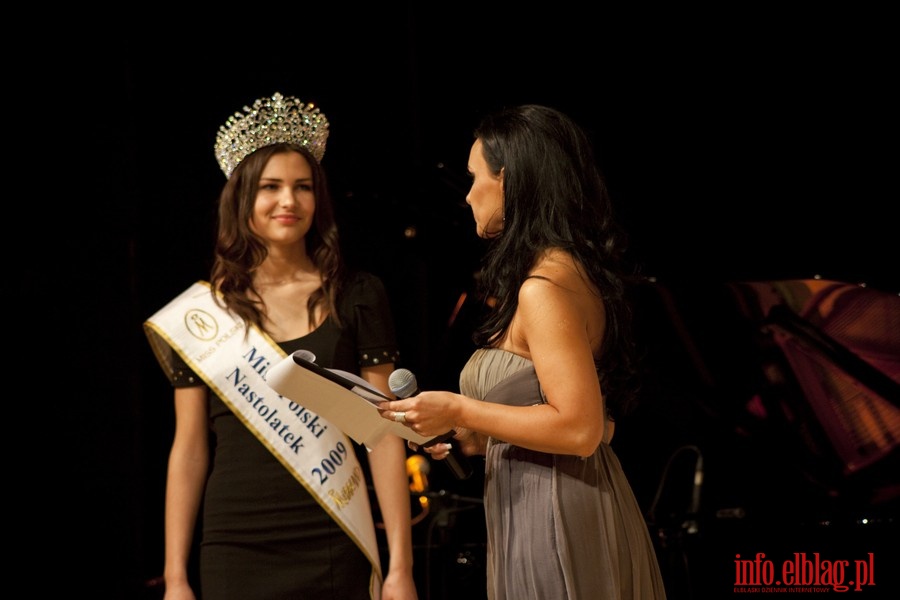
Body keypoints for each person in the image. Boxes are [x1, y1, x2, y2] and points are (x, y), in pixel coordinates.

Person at [378, 104, 667, 599]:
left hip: (555, 512)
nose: (468, 195)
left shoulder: (544, 287)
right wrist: (465, 432)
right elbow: (559, 418)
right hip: (546, 500)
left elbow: (580, 428)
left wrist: (459, 406)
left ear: (509, 179)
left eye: (474, 178)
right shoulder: (563, 272)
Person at [145, 92, 418, 600]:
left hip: (333, 533)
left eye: (302, 187)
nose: (288, 201)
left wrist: (400, 567)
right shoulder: (204, 315)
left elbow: (382, 430)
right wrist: (176, 577)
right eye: (270, 187)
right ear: (241, 197)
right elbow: (188, 447)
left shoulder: (358, 293)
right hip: (234, 541)